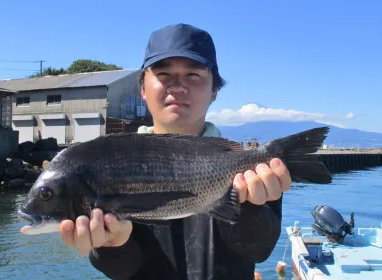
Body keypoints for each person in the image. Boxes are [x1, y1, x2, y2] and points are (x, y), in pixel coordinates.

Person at [59, 23, 292, 280]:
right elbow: (122, 271)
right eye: (163, 75)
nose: (178, 86)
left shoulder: (251, 172)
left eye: (193, 75)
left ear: (215, 90)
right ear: (143, 89)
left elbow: (258, 250)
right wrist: (111, 246)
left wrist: (251, 209)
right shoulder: (113, 164)